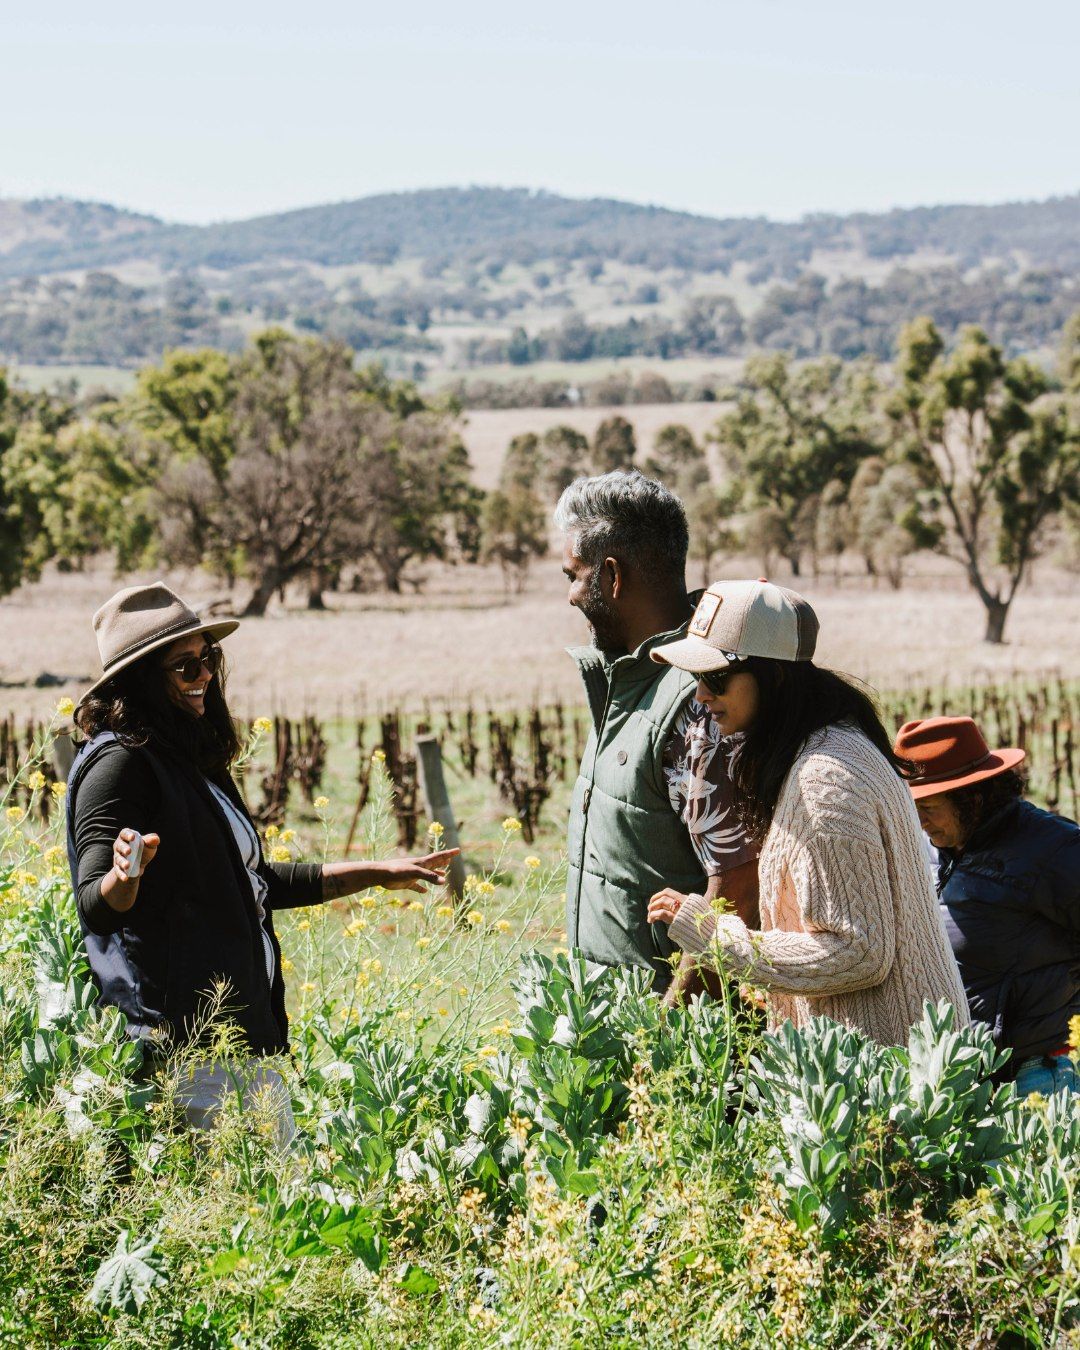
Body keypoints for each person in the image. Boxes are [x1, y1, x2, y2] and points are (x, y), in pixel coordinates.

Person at [66, 582, 456, 1139]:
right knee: (259, 1203)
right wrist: (124, 878)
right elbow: (97, 905)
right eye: (185, 667)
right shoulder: (119, 766)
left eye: (208, 660)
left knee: (270, 1202)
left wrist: (376, 872)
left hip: (236, 1040)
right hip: (189, 1051)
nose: (204, 677)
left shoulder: (186, 758)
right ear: (141, 681)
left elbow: (251, 882)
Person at [646, 579, 969, 1046]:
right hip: (891, 1062)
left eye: (715, 678)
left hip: (885, 1076)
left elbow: (858, 953)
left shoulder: (824, 781)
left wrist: (713, 934)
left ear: (774, 677)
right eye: (696, 678)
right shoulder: (832, 746)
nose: (700, 695)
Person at [553, 471, 759, 997]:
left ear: (613, 577)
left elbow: (737, 887)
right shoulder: (630, 680)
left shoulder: (696, 698)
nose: (571, 596)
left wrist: (666, 1042)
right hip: (624, 1031)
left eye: (574, 576)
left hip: (676, 1045)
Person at [895, 715, 1079, 1096]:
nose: (920, 821)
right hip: (961, 1071)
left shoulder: (1052, 849)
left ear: (972, 797)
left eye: (928, 807)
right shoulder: (932, 847)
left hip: (1038, 1073)